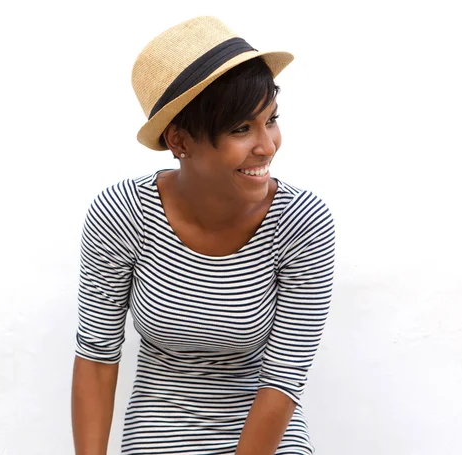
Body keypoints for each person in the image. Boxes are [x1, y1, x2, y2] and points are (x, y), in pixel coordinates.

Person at [71, 16, 335, 455]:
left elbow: (284, 376)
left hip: (264, 427)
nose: (267, 145)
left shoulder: (302, 221)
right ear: (180, 140)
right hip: (161, 425)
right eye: (240, 129)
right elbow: (97, 357)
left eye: (270, 120)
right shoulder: (123, 213)